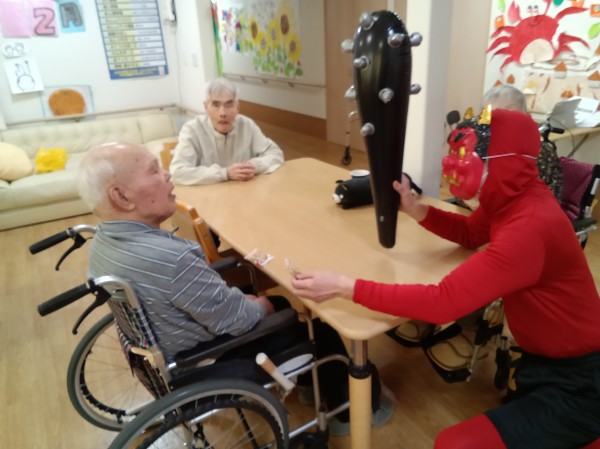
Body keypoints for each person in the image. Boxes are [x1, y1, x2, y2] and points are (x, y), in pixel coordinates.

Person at [290, 109, 600, 449]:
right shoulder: (515, 194)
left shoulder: (529, 227)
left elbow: (442, 303)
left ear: (503, 162)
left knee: (453, 444)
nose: (453, 164)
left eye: (466, 154)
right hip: (543, 362)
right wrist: (415, 207)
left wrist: (344, 286)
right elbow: (470, 233)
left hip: (581, 381)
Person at [77, 141, 392, 436]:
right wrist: (259, 304)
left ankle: (310, 386)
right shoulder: (170, 259)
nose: (167, 174)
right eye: (153, 171)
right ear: (121, 196)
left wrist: (244, 301)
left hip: (164, 348)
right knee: (310, 323)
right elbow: (240, 320)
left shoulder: (103, 244)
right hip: (202, 361)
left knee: (273, 303)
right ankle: (349, 414)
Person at [169, 77, 284, 185]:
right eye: (216, 105)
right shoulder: (192, 130)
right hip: (208, 195)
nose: (223, 113)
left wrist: (253, 166)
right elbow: (177, 172)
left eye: (229, 105)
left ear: (237, 107)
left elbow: (275, 153)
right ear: (206, 107)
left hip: (244, 192)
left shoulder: (247, 125)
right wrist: (224, 173)